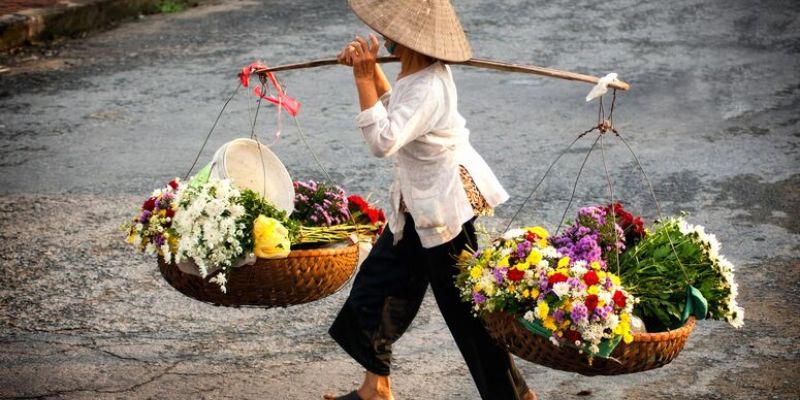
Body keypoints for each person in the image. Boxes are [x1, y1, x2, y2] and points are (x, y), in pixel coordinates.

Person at [325, 1, 537, 399]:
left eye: (393, 36)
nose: (386, 39)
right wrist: (371, 75)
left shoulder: (430, 84)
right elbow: (398, 114)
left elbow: (384, 141)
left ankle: (516, 397)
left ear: (410, 41)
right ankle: (375, 388)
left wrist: (363, 80)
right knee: (376, 289)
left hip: (443, 211)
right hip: (414, 208)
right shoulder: (414, 73)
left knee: (468, 318)